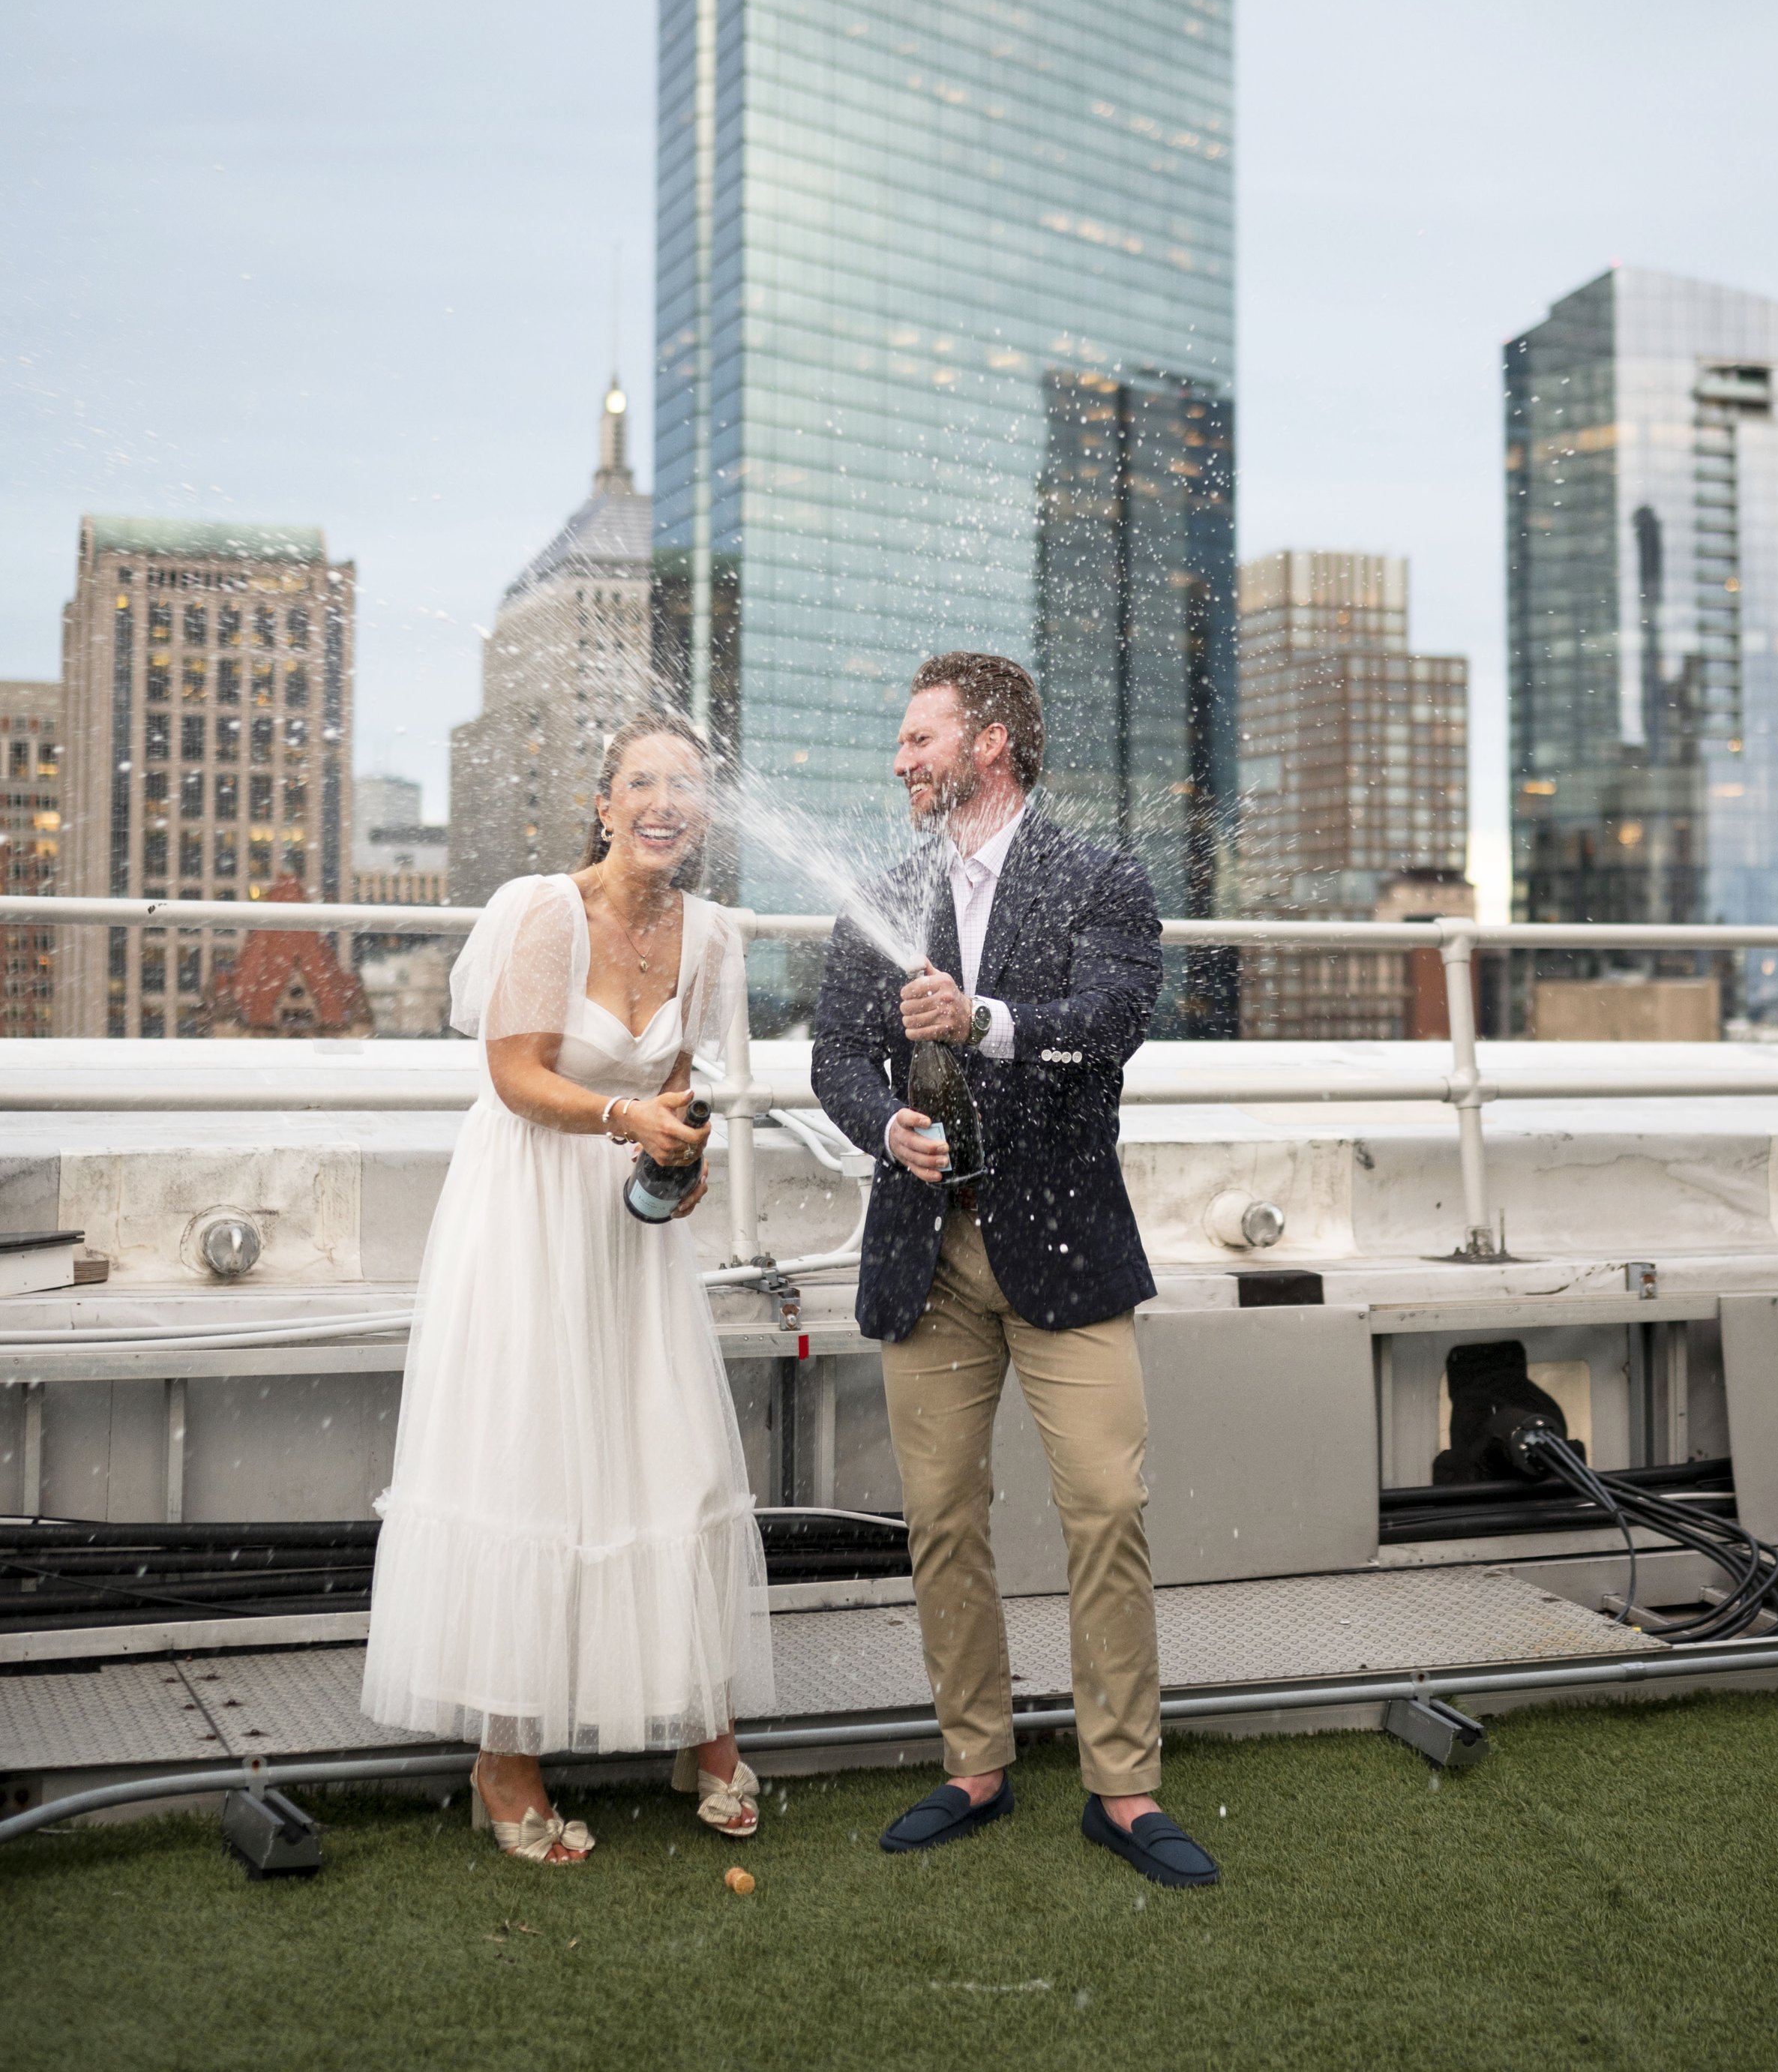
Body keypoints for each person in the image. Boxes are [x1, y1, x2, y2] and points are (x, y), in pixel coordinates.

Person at [810, 652, 1221, 1889]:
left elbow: (1111, 1021)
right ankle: (975, 1760)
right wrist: (886, 1123)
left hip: (1065, 1247)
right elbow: (834, 1054)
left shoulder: (1100, 876)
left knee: (1107, 1508)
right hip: (922, 1253)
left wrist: (980, 1016)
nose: (901, 759)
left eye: (919, 736)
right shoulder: (880, 891)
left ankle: (1124, 1786)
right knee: (942, 1518)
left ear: (989, 743)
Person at [361, 707, 772, 1864]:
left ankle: (705, 1729)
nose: (664, 803)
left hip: (626, 1231)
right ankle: (507, 1759)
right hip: (529, 1211)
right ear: (604, 805)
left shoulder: (711, 938)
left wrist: (678, 1158)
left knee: (666, 1449)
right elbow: (513, 1074)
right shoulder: (544, 910)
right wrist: (620, 1115)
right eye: (642, 783)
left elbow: (681, 1087)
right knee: (534, 1456)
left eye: (685, 787)